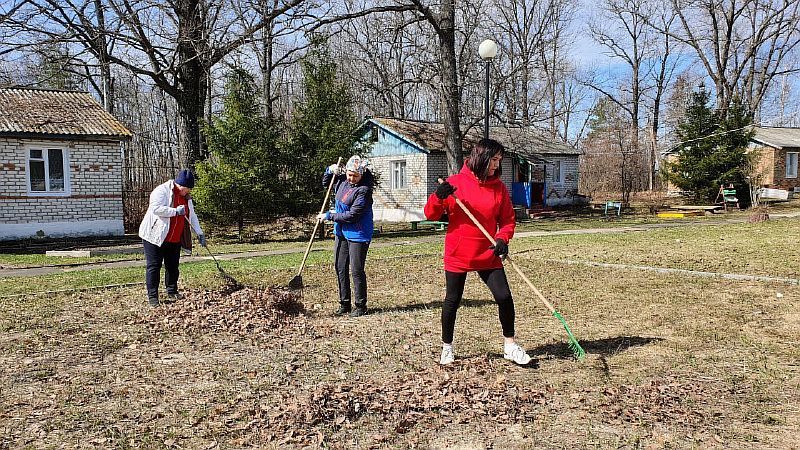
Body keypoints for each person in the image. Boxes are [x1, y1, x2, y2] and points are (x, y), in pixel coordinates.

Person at [424, 138, 532, 366]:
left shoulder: (499, 187)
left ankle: (510, 346)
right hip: (458, 252)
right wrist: (438, 197)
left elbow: (508, 220)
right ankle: (447, 348)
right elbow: (430, 215)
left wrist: (503, 239)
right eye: (493, 160)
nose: (496, 165)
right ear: (481, 157)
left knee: (504, 297)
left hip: (488, 252)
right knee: (453, 299)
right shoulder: (454, 184)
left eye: (499, 160)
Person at [138, 169, 206, 306]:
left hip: (174, 238)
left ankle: (172, 291)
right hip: (155, 236)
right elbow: (155, 209)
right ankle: (153, 297)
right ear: (179, 185)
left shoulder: (186, 198)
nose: (188, 192)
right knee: (154, 266)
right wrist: (175, 211)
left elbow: (191, 215)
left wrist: (199, 233)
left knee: (173, 266)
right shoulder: (162, 191)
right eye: (187, 189)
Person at [317, 155, 374, 317]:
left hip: (358, 233)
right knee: (340, 267)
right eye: (349, 174)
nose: (352, 178)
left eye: (355, 175)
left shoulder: (364, 190)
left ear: (362, 174)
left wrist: (329, 216)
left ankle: (361, 306)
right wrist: (329, 171)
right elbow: (326, 184)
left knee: (356, 270)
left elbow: (352, 215)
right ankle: (344, 303)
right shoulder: (341, 181)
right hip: (341, 231)